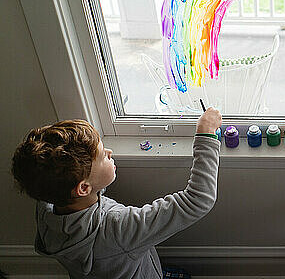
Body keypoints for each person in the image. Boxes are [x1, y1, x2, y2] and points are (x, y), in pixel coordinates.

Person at [11, 108, 222, 278]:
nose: (110, 152)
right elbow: (198, 200)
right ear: (83, 188)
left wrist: (96, 171)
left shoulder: (47, 207)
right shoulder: (118, 228)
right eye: (103, 156)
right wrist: (206, 134)